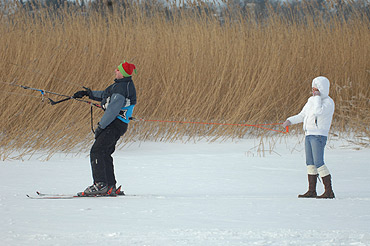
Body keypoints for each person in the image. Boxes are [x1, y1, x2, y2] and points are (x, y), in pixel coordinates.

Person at [73, 61, 137, 196]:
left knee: (96, 151)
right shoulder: (121, 85)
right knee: (104, 153)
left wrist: (101, 126)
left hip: (114, 124)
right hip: (117, 125)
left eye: (118, 70)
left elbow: (112, 110)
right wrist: (88, 93)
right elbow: (105, 95)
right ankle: (110, 186)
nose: (115, 71)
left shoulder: (121, 89)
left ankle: (100, 184)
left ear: (123, 73)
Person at [282, 76, 335, 199]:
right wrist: (290, 121)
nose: (313, 92)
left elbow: (318, 112)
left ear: (322, 89)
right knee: (310, 163)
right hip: (309, 134)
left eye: (316, 89)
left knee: (319, 162)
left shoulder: (328, 102)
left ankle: (329, 191)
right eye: (312, 89)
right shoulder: (311, 101)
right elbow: (302, 115)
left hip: (319, 135)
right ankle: (312, 191)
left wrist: (317, 98)